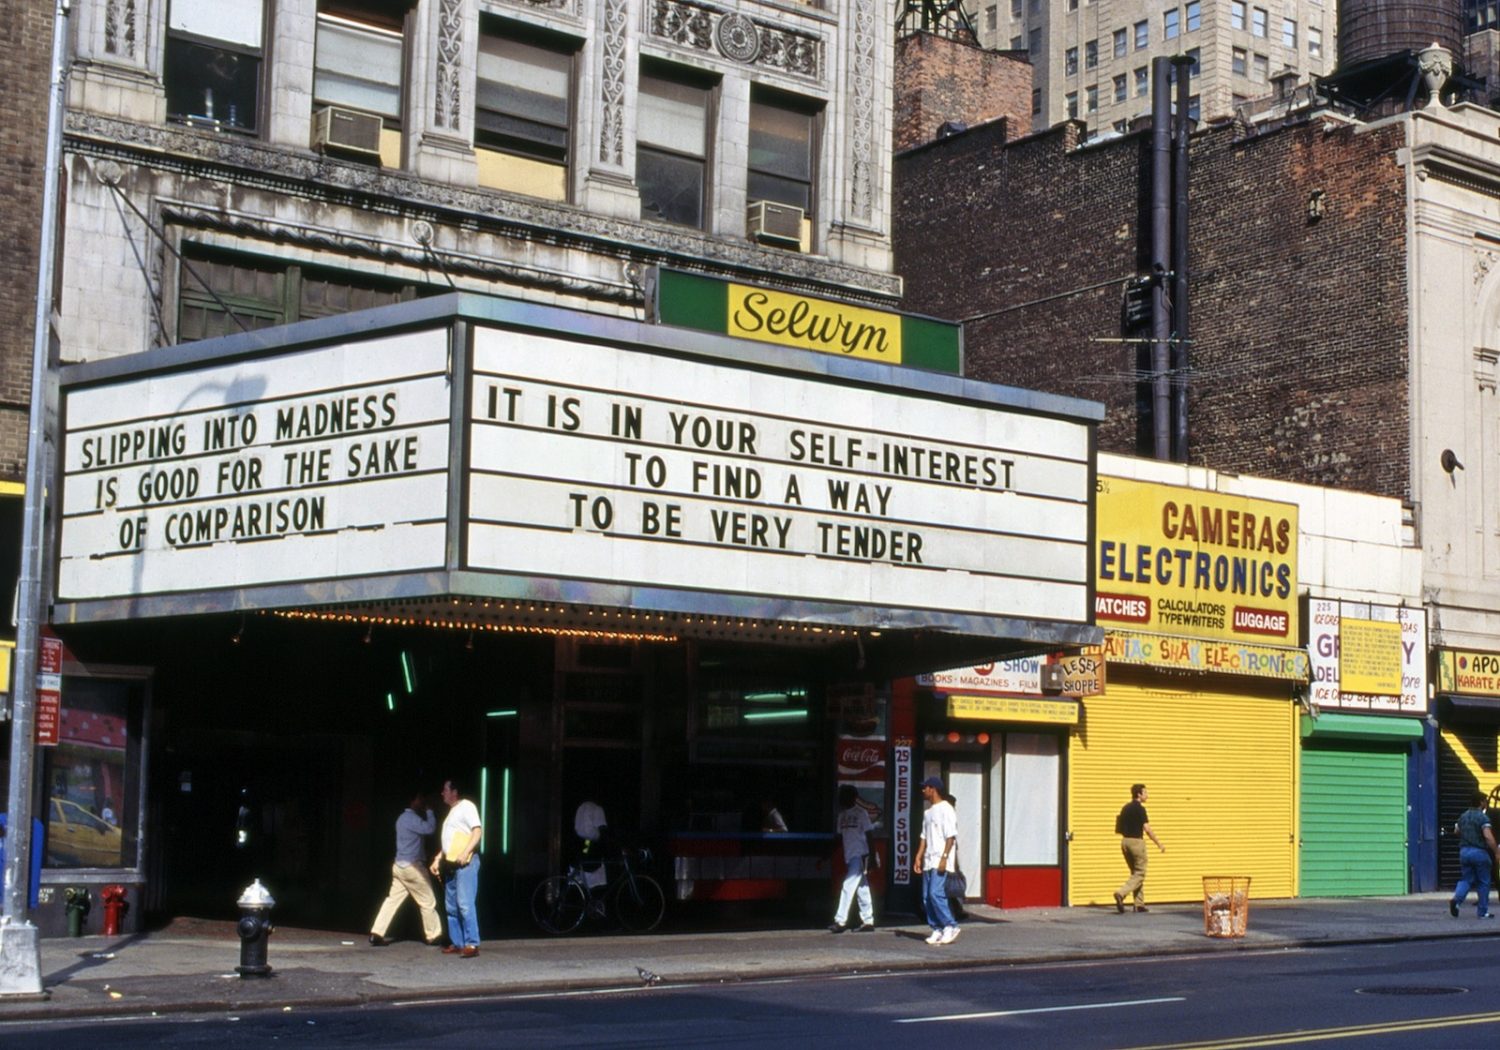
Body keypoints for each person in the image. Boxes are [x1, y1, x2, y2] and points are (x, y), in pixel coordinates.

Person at [368, 791, 443, 947]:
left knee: (392, 900)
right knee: (428, 901)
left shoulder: (401, 819)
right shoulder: (411, 818)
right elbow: (429, 829)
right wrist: (430, 811)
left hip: (399, 866)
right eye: (419, 798)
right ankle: (433, 935)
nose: (422, 801)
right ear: (412, 801)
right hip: (413, 866)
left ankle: (377, 932)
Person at [429, 778, 482, 957]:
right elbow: (449, 842)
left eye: (445, 789)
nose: (442, 793)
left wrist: (465, 851)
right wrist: (438, 858)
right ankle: (458, 942)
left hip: (465, 863)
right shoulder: (452, 811)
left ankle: (472, 943)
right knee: (451, 906)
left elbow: (477, 831)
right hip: (450, 863)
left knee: (465, 904)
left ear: (454, 791)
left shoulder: (467, 806)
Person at [912, 775, 959, 945]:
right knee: (926, 897)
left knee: (935, 893)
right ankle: (936, 928)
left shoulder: (946, 809)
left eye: (925, 787)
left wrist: (944, 858)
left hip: (940, 858)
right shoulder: (927, 812)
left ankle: (950, 925)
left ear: (933, 789)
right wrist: (918, 856)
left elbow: (951, 837)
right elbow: (924, 837)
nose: (923, 790)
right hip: (928, 859)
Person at [829, 785, 878, 933]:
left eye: (843, 795)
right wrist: (826, 855)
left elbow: (869, 835)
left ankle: (840, 921)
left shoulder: (861, 813)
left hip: (861, 854)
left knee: (848, 886)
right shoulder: (841, 816)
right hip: (850, 856)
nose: (841, 798)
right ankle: (868, 921)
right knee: (862, 888)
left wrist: (873, 857)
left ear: (852, 797)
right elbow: (839, 838)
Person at [1114, 783, 1165, 914]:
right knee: (1140, 873)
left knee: (1135, 873)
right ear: (1139, 794)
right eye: (1145, 793)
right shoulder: (1140, 809)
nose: (1147, 795)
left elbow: (1118, 827)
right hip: (1136, 842)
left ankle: (1139, 904)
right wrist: (1158, 843)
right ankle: (1121, 893)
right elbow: (1147, 828)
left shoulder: (1125, 808)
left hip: (1125, 842)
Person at [1450, 790, 1500, 919]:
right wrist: (1496, 851)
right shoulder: (1482, 817)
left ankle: (1457, 900)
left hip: (1464, 852)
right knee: (1484, 882)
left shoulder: (1463, 816)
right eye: (1485, 801)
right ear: (1481, 802)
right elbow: (1488, 836)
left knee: (1466, 879)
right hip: (1479, 852)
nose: (1486, 803)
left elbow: (1456, 831)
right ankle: (1482, 912)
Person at [573, 798, 609, 890]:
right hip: (590, 843)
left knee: (580, 871)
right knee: (594, 873)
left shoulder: (582, 806)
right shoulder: (597, 809)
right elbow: (602, 828)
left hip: (580, 842)